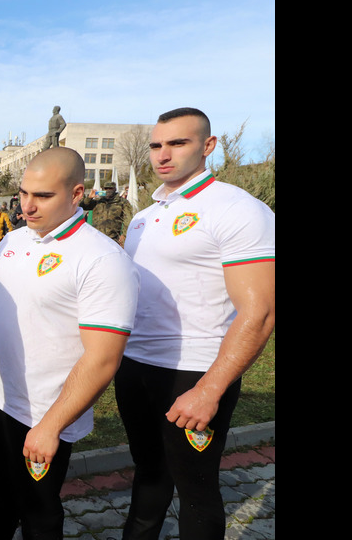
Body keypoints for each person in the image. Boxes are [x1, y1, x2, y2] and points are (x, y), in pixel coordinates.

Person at [116, 108, 275, 540]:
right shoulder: (145, 214)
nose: (163, 155)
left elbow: (259, 312)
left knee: (196, 489)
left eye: (177, 143)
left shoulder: (237, 209)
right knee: (148, 475)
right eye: (156, 145)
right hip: (135, 367)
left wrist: (209, 388)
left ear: (208, 146)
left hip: (194, 371)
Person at [0, 147, 139, 539]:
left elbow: (103, 357)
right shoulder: (13, 241)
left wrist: (51, 426)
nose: (27, 205)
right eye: (23, 193)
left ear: (77, 193)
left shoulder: (101, 259)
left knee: (39, 512)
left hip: (46, 412)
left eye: (43, 196)